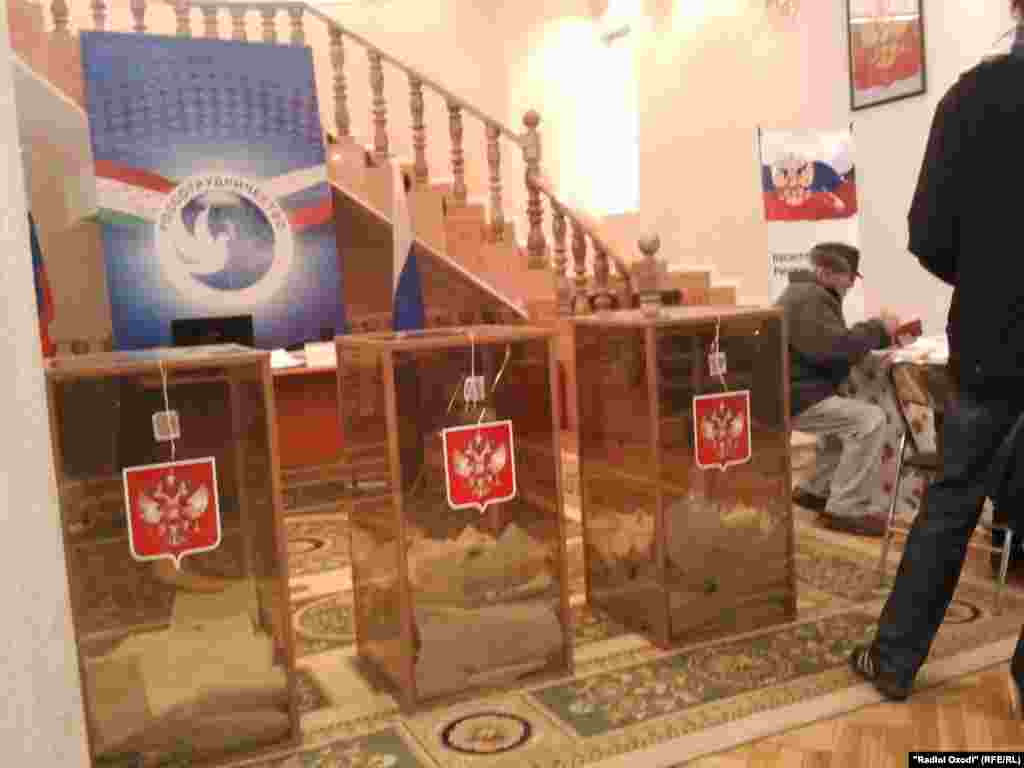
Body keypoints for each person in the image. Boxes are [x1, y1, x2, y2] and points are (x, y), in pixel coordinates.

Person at [850, 3, 1024, 716]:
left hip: (994, 341)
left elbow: (928, 233)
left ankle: (894, 659)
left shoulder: (972, 97)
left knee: (952, 504)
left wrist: (990, 277)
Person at [776, 242, 901, 537]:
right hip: (795, 397)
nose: (850, 285)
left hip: (791, 391)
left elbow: (829, 346)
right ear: (825, 273)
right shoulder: (810, 298)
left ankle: (816, 489)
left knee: (843, 413)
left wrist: (871, 334)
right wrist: (880, 328)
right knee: (869, 420)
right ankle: (847, 507)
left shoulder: (804, 294)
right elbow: (836, 349)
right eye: (848, 277)